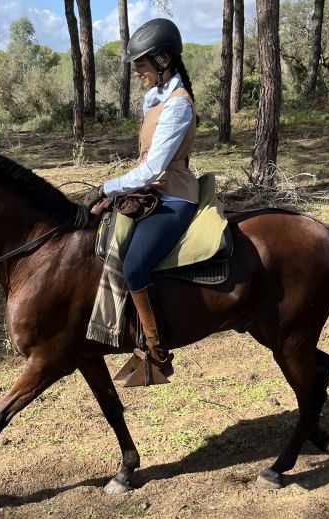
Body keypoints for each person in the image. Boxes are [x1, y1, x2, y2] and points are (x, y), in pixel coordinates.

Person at [101, 18, 199, 377]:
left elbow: (155, 167)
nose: (137, 73)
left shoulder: (178, 105)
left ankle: (157, 351)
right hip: (151, 192)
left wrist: (110, 186)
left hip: (174, 196)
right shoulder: (153, 98)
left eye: (140, 66)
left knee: (135, 266)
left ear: (162, 61)